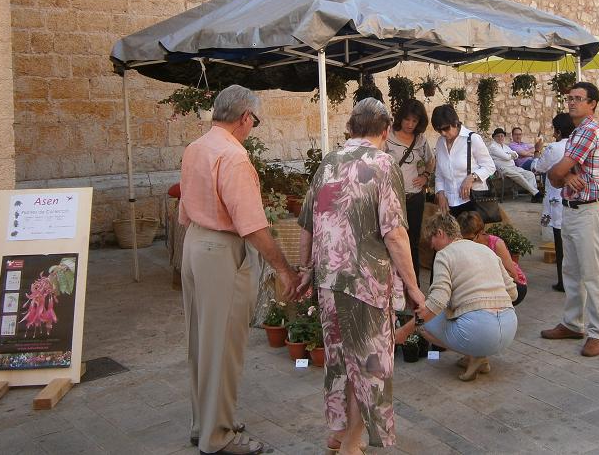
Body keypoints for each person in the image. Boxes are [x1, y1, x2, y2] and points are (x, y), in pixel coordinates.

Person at [296, 98, 424, 455]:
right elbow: (395, 234)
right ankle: (351, 444)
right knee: (366, 366)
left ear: (351, 128)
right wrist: (414, 288)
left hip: (328, 282)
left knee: (339, 360)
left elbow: (306, 223)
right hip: (365, 285)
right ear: (385, 130)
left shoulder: (327, 163)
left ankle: (338, 435)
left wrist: (305, 270)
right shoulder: (384, 165)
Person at [179, 85, 300, 455]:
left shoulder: (195, 148)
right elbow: (251, 223)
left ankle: (207, 422)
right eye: (254, 121)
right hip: (220, 248)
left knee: (201, 341)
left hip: (195, 243)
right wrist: (283, 268)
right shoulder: (233, 157)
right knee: (223, 345)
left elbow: (183, 208)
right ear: (245, 117)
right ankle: (217, 436)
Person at [394, 211, 518, 382]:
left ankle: (475, 354)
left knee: (424, 323)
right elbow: (513, 292)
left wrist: (404, 331)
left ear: (440, 233)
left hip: (479, 331)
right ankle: (476, 355)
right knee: (447, 313)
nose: (431, 246)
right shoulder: (485, 249)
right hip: (509, 327)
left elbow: (437, 302)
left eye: (431, 239)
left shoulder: (444, 255)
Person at [541, 82, 599, 358]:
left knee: (592, 274)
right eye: (570, 98)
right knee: (570, 270)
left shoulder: (588, 131)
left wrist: (561, 174)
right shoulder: (578, 131)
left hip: (588, 211)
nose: (571, 103)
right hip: (573, 208)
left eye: (578, 99)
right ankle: (573, 323)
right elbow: (558, 173)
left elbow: (553, 172)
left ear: (592, 103)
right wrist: (566, 175)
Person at [383, 99, 435, 284]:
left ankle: (414, 285)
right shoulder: (388, 137)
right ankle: (393, 283)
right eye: (407, 120)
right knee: (391, 239)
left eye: (414, 121)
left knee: (412, 240)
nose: (410, 125)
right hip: (392, 198)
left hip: (415, 197)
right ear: (400, 118)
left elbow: (431, 159)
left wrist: (426, 176)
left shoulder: (420, 140)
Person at [529, 112, 575, 292]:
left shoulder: (553, 148)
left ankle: (563, 280)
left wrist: (537, 150)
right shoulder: (576, 146)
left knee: (560, 241)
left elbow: (537, 167)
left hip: (557, 199)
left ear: (558, 130)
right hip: (573, 198)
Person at [431, 104, 496, 218]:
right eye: (439, 130)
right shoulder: (440, 142)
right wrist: (440, 193)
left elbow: (490, 166)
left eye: (446, 128)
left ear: (455, 123)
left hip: (472, 201)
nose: (443, 133)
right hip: (449, 203)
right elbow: (439, 173)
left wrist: (472, 177)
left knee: (471, 235)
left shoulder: (472, 139)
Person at [457, 211, 528, 305]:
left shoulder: (496, 244)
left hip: (515, 285)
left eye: (470, 239)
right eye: (462, 239)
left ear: (481, 232)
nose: (466, 243)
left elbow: (513, 275)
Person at [487, 127, 541, 201]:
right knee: (518, 175)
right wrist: (510, 155)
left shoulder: (505, 146)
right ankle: (536, 194)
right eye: (498, 136)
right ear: (494, 137)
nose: (500, 137)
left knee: (530, 174)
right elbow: (506, 157)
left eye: (502, 135)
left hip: (512, 167)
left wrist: (510, 155)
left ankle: (534, 195)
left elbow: (516, 155)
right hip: (502, 168)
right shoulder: (493, 147)